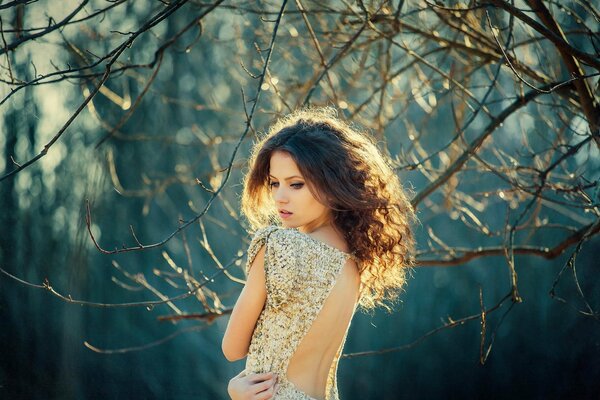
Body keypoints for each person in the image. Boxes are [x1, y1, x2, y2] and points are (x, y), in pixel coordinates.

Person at [222, 107, 417, 400]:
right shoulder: (354, 264)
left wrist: (236, 390)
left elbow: (232, 348)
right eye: (274, 183)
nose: (279, 197)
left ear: (331, 183)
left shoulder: (278, 246)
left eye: (296, 184)